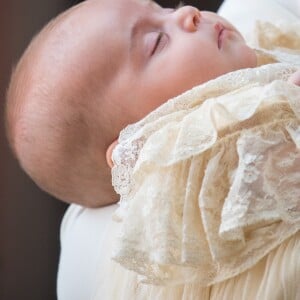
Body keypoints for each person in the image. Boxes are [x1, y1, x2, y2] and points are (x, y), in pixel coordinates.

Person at [4, 0, 300, 299]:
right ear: (136, 147)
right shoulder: (192, 169)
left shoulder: (253, 47)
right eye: (158, 41)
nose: (188, 14)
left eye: (166, 10)